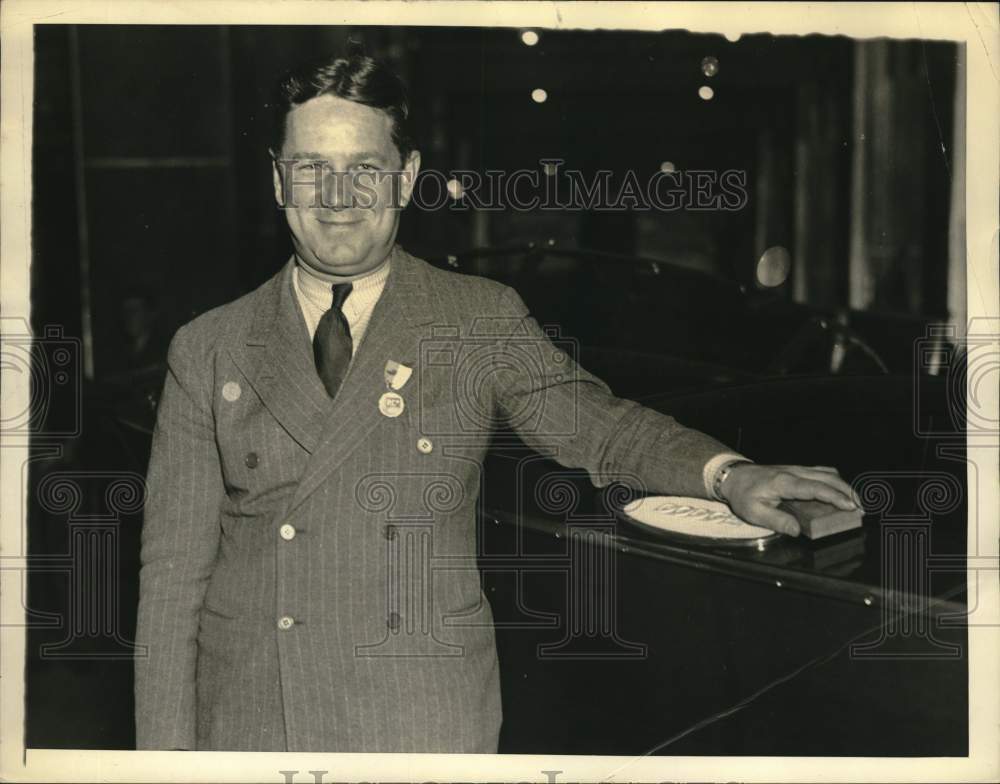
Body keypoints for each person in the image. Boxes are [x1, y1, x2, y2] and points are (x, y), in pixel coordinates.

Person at [134, 50, 860, 753]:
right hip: (257, 722)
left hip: (418, 717)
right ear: (278, 180)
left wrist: (731, 475)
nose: (338, 196)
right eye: (311, 168)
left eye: (365, 169)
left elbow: (601, 429)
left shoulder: (476, 319)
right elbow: (171, 585)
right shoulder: (209, 347)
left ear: (407, 178)